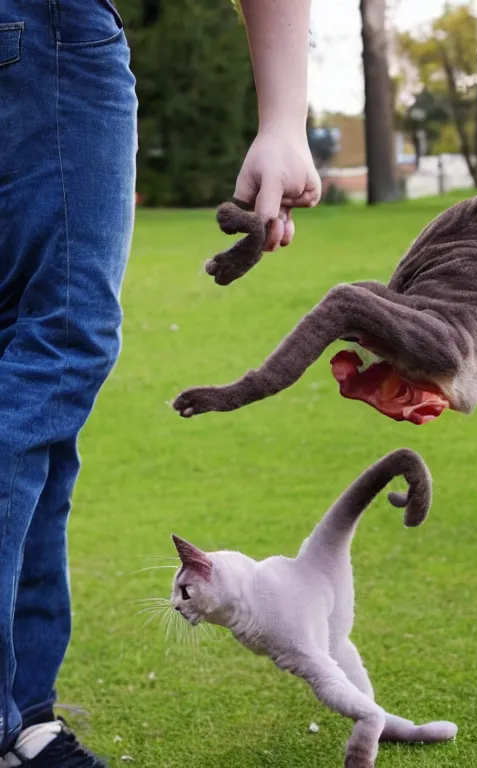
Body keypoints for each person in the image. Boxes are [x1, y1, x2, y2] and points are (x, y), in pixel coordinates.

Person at [0, 0, 321, 766]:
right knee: (57, 345)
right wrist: (282, 117)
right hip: (44, 28)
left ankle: (22, 717)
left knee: (27, 371)